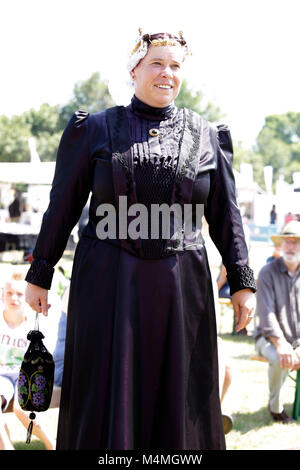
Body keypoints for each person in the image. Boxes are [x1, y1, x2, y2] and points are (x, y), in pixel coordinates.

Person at [24, 30, 256, 450]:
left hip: (182, 291)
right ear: (133, 70)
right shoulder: (92, 129)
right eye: (156, 63)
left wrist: (242, 281)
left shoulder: (207, 136)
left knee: (180, 393)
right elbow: (62, 205)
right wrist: (39, 272)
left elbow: (226, 214)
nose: (167, 73)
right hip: (107, 287)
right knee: (105, 391)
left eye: (175, 66)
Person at [0, 271, 54, 450]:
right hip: (2, 376)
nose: (13, 297)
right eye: (9, 293)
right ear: (2, 294)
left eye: (19, 294)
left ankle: (51, 444)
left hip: (26, 373)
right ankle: (6, 447)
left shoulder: (32, 324)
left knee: (21, 409)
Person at [254, 220, 300, 424]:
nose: (290, 246)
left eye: (296, 242)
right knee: (280, 359)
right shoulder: (267, 272)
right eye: (287, 241)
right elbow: (267, 314)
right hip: (268, 339)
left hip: (297, 342)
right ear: (280, 244)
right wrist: (282, 344)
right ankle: (276, 408)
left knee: (289, 355)